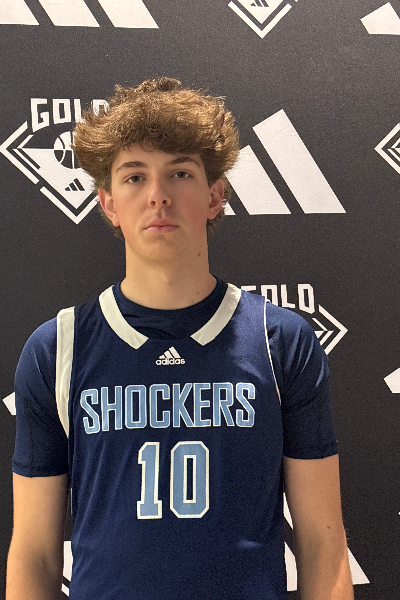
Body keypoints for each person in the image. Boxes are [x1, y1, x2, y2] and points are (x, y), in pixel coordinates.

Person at [6, 77, 354, 600]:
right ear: (107, 203)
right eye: (134, 176)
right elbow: (34, 553)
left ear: (215, 196)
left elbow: (323, 544)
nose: (158, 195)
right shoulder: (57, 349)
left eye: (180, 173)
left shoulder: (279, 341)